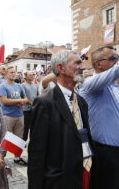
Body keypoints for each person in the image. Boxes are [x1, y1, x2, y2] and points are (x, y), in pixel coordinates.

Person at [28, 50, 94, 189]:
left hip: (84, 173)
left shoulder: (81, 102)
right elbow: (36, 153)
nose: (82, 67)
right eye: (77, 63)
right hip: (59, 180)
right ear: (60, 68)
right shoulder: (45, 103)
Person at [79, 46, 119, 189]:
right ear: (98, 64)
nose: (117, 60)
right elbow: (116, 71)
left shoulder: (114, 87)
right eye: (113, 58)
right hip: (105, 152)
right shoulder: (90, 83)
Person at [0, 66, 29, 165]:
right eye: (11, 72)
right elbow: (4, 100)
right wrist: (19, 101)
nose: (13, 74)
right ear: (6, 74)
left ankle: (17, 157)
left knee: (18, 138)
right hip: (8, 116)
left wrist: (22, 101)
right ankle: (1, 159)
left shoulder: (19, 86)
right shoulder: (3, 86)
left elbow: (26, 99)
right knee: (5, 138)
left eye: (14, 72)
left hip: (19, 115)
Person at [21, 71, 38, 141]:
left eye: (33, 75)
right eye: (30, 75)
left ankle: (32, 141)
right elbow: (23, 96)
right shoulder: (22, 85)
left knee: (33, 126)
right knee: (25, 127)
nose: (32, 76)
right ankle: (23, 141)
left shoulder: (36, 85)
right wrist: (31, 103)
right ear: (26, 76)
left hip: (34, 109)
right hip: (26, 109)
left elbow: (37, 96)